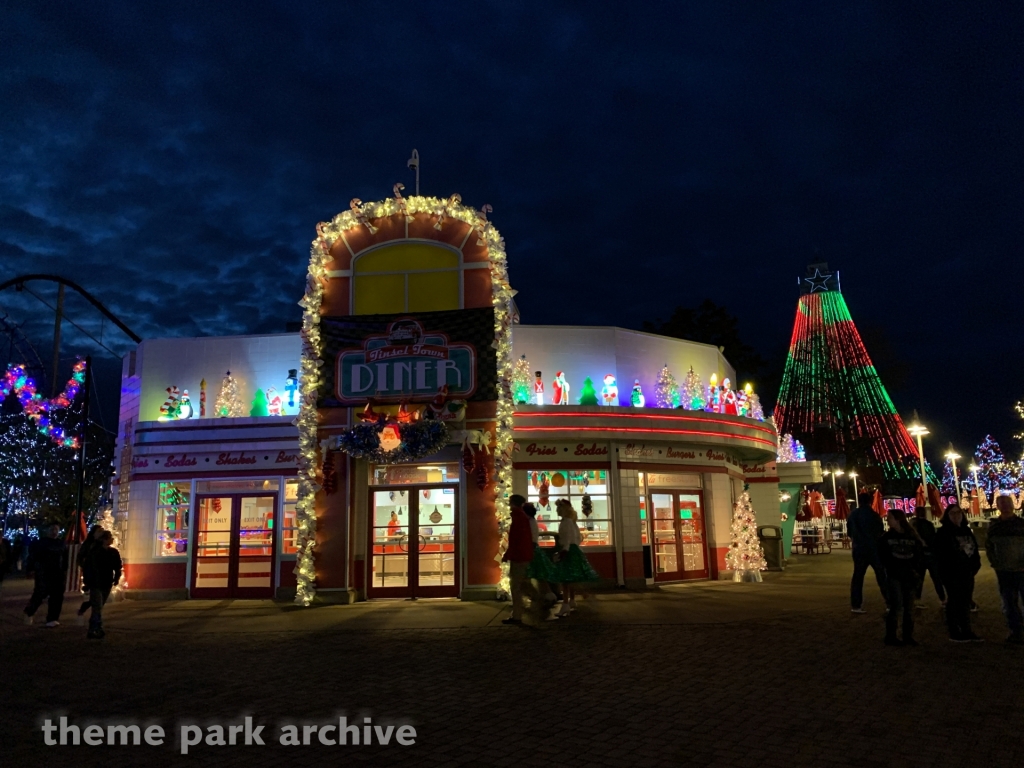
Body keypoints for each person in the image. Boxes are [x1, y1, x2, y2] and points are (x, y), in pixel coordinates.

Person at [934, 503, 982, 642]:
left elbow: (974, 551)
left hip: (967, 572)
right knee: (954, 601)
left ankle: (966, 629)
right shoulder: (943, 533)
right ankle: (954, 630)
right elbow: (940, 555)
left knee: (966, 601)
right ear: (947, 516)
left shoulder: (966, 531)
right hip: (952, 573)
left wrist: (975, 566)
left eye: (958, 513)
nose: (956, 516)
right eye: (952, 513)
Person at [547, 499, 599, 620]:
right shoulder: (571, 522)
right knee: (571, 577)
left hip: (568, 551)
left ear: (563, 509)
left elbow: (568, 538)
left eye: (559, 508)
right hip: (573, 550)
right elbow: (576, 538)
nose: (557, 510)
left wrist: (563, 551)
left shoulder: (566, 522)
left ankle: (566, 604)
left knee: (566, 579)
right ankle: (572, 600)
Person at [879, 509, 924, 646]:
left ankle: (907, 636)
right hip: (894, 575)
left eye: (890, 517)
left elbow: (918, 554)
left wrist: (915, 569)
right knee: (896, 605)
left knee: (909, 607)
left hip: (909, 575)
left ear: (898, 519)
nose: (887, 520)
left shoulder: (912, 536)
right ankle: (891, 636)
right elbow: (883, 556)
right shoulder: (886, 538)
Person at [986, 495, 1024, 644]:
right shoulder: (994, 526)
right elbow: (989, 547)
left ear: (1013, 504)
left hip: (1022, 570)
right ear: (998, 506)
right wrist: (995, 562)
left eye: (1007, 503)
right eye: (1002, 504)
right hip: (1004, 571)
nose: (1006, 506)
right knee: (1009, 603)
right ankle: (1016, 631)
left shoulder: (1021, 524)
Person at [502, 494, 544, 625]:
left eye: (510, 502)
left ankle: (517, 615)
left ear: (513, 503)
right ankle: (538, 600)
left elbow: (515, 539)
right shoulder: (523, 517)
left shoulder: (517, 517)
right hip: (524, 555)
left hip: (519, 557)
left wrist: (508, 554)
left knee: (516, 586)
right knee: (524, 583)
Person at [847, 491, 887, 613]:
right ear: (870, 501)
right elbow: (880, 531)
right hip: (874, 548)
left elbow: (850, 532)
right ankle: (889, 601)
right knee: (881, 576)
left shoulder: (853, 515)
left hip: (859, 548)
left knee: (858, 577)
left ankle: (856, 604)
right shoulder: (874, 515)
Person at [22, 524, 68, 628]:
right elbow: (33, 557)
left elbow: (65, 558)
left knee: (57, 596)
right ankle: (29, 611)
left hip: (58, 573)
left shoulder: (61, 543)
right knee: (40, 593)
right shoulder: (41, 543)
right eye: (52, 529)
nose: (54, 532)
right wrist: (30, 569)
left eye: (56, 529)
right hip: (44, 572)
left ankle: (52, 618)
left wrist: (64, 570)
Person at [82, 530, 122, 639]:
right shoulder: (95, 552)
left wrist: (117, 577)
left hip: (106, 582)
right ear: (104, 540)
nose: (112, 540)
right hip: (96, 583)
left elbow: (117, 566)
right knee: (97, 606)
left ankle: (94, 627)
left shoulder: (113, 552)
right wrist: (87, 581)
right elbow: (88, 567)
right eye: (109, 538)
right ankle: (96, 628)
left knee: (98, 606)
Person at [909, 506, 946, 608]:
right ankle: (942, 598)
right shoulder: (928, 524)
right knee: (936, 578)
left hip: (919, 555)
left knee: (920, 578)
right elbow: (934, 539)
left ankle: (917, 599)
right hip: (930, 554)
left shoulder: (913, 524)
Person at [523, 502, 558, 602]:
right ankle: (547, 594)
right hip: (534, 548)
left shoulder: (529, 522)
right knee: (540, 575)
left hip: (531, 549)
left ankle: (537, 595)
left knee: (532, 574)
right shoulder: (532, 521)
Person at [74, 525, 107, 622]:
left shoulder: (102, 544)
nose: (100, 533)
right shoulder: (88, 544)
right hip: (91, 574)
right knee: (94, 597)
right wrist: (86, 566)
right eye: (99, 531)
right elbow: (80, 558)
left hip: (102, 575)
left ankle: (94, 616)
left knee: (98, 599)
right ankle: (93, 618)